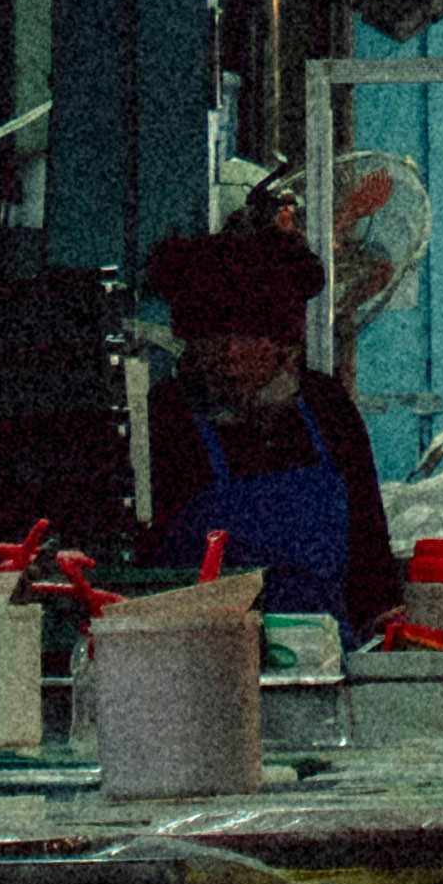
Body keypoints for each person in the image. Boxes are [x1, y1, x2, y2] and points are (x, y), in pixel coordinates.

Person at [130, 220, 398, 630]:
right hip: (197, 660)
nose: (232, 352)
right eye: (214, 336)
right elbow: (139, 575)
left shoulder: (327, 410)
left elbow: (371, 559)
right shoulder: (163, 418)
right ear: (188, 337)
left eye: (253, 336)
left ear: (284, 341)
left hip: (325, 665)